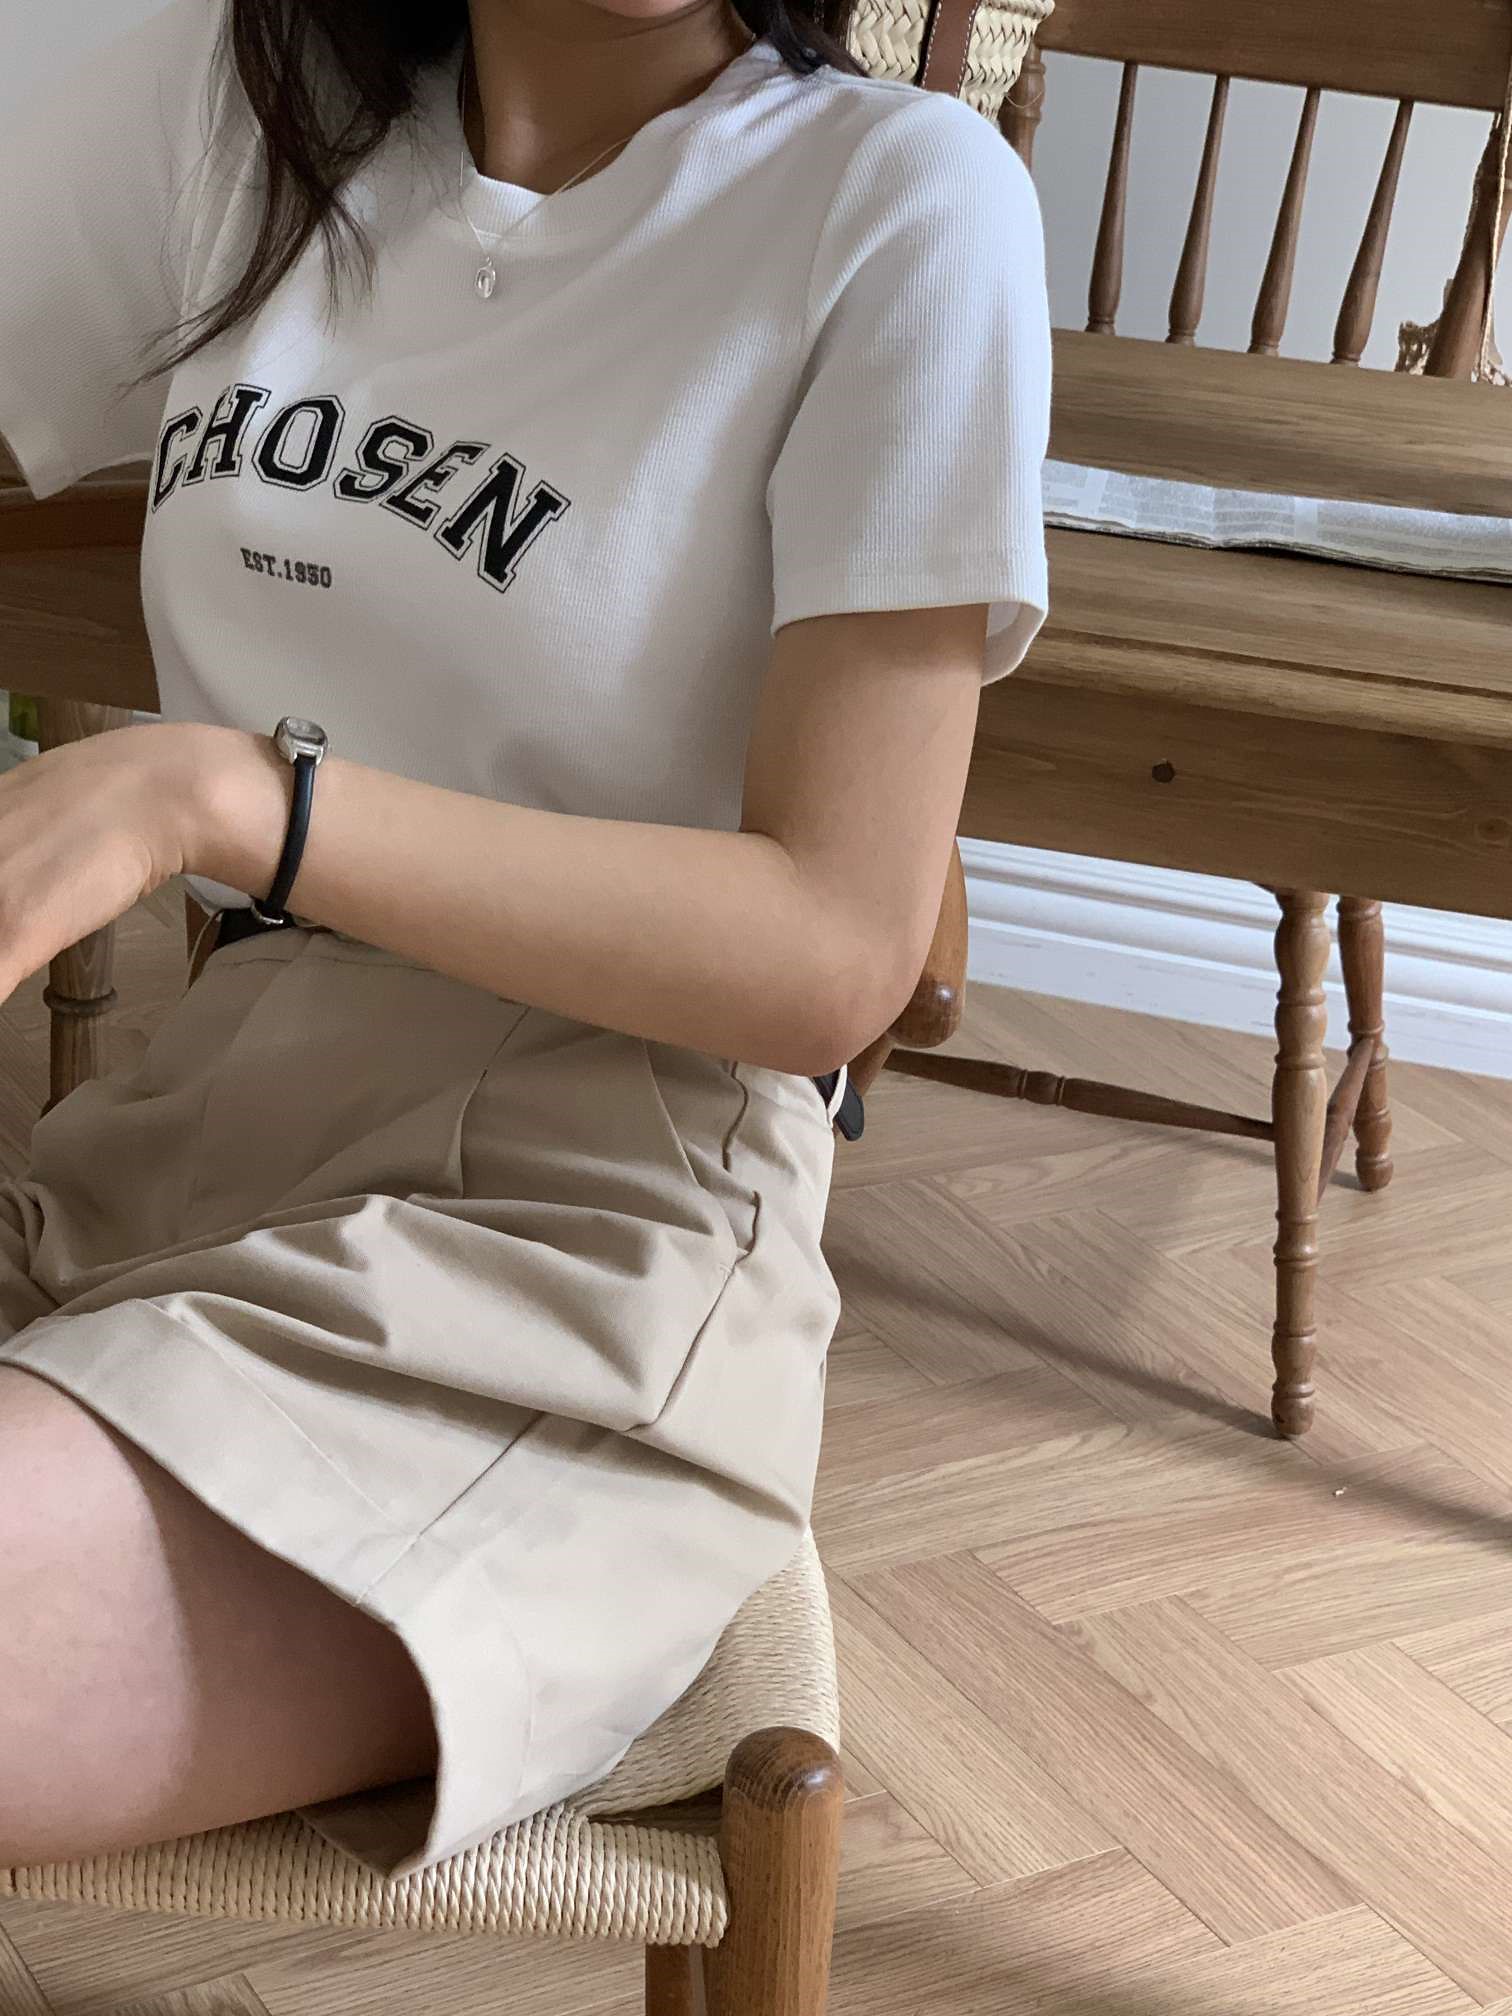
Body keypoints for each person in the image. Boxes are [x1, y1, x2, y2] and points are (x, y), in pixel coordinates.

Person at [0, 0, 1049, 1876]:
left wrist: (224, 796)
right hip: (175, 1144)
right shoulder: (251, 113)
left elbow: (837, 944)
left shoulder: (894, 198)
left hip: (582, 1232)